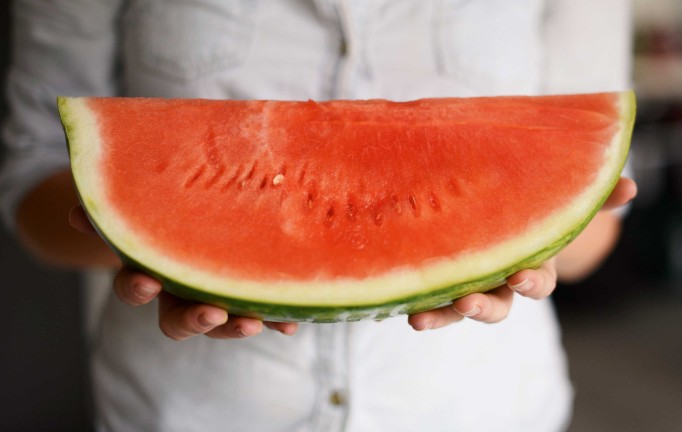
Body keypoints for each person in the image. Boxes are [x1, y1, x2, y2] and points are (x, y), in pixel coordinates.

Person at [1, 1, 636, 431]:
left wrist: (521, 245)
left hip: (474, 407)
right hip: (196, 413)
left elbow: (591, 204)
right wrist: (157, 239)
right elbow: (32, 185)